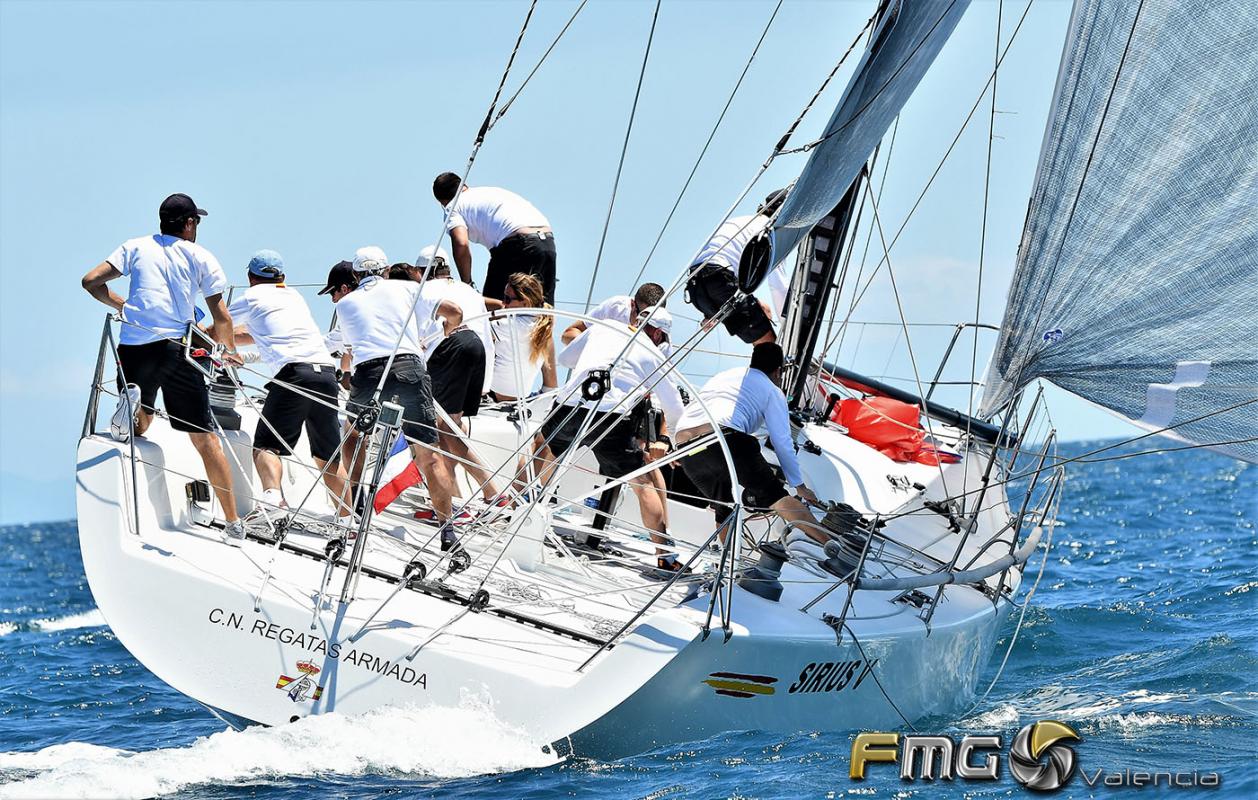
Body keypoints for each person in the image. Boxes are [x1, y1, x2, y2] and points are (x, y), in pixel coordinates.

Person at [80, 192, 244, 542]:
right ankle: (233, 522)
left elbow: (91, 281)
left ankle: (133, 407)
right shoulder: (200, 256)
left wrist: (122, 305)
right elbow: (221, 316)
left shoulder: (135, 246)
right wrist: (228, 356)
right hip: (176, 349)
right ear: (188, 224)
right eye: (196, 221)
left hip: (134, 343)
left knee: (142, 425)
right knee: (205, 438)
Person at [531, 312, 685, 570]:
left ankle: (514, 512)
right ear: (658, 334)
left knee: (542, 447)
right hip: (613, 417)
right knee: (643, 483)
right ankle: (665, 555)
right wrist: (671, 441)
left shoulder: (606, 327)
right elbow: (675, 407)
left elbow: (565, 358)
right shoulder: (654, 353)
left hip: (573, 402)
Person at [334, 245, 463, 549]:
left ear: (356, 275)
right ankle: (447, 529)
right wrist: (448, 329)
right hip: (408, 369)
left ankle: (357, 500)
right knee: (429, 454)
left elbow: (350, 348)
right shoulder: (407, 288)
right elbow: (455, 312)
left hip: (368, 374)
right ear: (387, 270)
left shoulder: (345, 304)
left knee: (353, 435)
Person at [227, 250, 351, 524]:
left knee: (265, 446)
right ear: (282, 277)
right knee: (328, 457)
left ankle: (272, 500)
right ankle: (347, 521)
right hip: (326, 375)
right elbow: (257, 332)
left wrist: (200, 338)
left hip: (295, 375)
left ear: (250, 277)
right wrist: (233, 342)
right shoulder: (293, 297)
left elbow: (218, 328)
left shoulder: (251, 297)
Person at [673, 342, 825, 544]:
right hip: (723, 441)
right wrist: (800, 486)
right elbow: (782, 442)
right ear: (778, 371)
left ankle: (727, 567)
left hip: (685, 449)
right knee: (776, 497)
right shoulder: (772, 390)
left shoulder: (726, 375)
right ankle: (831, 546)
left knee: (724, 508)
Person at [412, 245, 505, 519]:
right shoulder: (469, 291)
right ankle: (456, 500)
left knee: (438, 428)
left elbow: (418, 334)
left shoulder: (424, 292)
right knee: (451, 427)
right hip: (479, 355)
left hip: (451, 350)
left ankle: (485, 494)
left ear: (421, 272)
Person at [432, 172, 556, 306]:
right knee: (543, 311)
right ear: (464, 186)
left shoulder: (452, 206)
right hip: (547, 242)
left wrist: (466, 283)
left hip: (517, 245)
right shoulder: (488, 192)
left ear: (443, 202)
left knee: (492, 307)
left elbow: (461, 244)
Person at [685, 190, 788, 346]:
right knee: (770, 350)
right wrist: (791, 331)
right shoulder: (771, 231)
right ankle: (771, 365)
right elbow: (779, 288)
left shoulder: (743, 222)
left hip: (696, 289)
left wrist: (710, 312)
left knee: (763, 309)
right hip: (720, 281)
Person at [490, 272, 557, 401]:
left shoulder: (508, 326)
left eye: (507, 298)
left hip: (493, 396)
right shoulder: (544, 330)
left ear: (525, 302)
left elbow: (475, 332)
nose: (503, 303)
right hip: (522, 401)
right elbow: (551, 386)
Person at [561, 282, 666, 344]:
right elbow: (568, 334)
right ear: (632, 305)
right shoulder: (615, 308)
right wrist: (597, 347)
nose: (644, 325)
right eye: (642, 316)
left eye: (652, 320)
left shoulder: (663, 333)